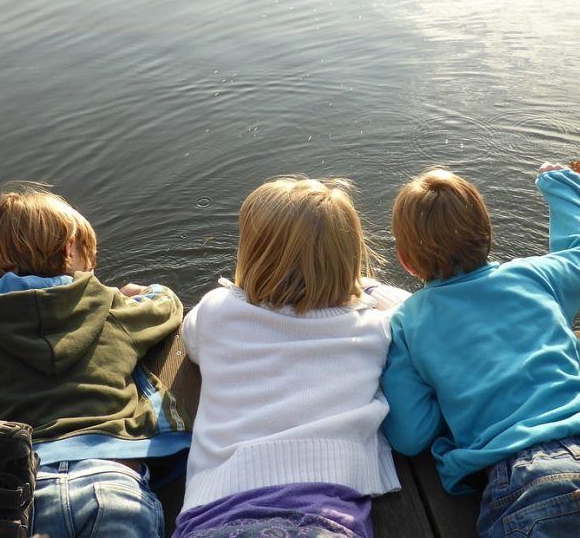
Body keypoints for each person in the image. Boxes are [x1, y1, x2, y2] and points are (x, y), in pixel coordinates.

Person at [382, 163, 580, 538]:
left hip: (526, 479)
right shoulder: (537, 275)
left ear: (406, 261)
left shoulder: (408, 321)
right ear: (488, 233)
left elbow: (410, 435)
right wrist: (560, 182)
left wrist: (456, 395)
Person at [174, 177, 406, 538]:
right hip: (326, 511)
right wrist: (369, 289)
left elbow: (190, 343)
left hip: (217, 512)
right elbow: (416, 309)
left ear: (252, 256)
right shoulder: (374, 328)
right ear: (348, 259)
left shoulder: (216, 312)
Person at [0, 184, 189, 538]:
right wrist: (141, 293)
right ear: (70, 249)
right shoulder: (108, 305)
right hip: (115, 483)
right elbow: (167, 308)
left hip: (29, 490)